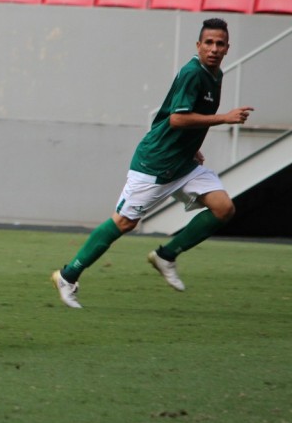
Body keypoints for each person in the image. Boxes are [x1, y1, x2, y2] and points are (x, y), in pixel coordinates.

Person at [51, 17, 254, 309]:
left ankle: (165, 256)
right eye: (208, 43)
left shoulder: (215, 74)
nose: (213, 48)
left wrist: (192, 147)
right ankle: (68, 276)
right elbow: (177, 117)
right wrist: (225, 118)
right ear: (198, 45)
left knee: (223, 208)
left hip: (182, 162)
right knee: (124, 222)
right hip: (155, 163)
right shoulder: (192, 73)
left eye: (219, 43)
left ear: (227, 48)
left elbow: (185, 119)